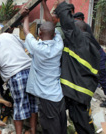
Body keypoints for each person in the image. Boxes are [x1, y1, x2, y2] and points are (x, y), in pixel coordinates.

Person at [0, 32, 38, 134]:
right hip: (31, 70)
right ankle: (33, 131)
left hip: (16, 75)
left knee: (19, 109)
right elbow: (23, 46)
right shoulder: (6, 35)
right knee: (33, 106)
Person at [20, 1, 67, 134]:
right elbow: (51, 23)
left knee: (51, 129)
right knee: (61, 127)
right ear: (54, 34)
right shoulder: (59, 44)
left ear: (40, 34)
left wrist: (26, 17)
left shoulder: (36, 48)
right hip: (58, 95)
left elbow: (26, 31)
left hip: (47, 100)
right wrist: (44, 4)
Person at [55, 0, 101, 134]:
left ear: (78, 31)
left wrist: (62, 5)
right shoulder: (90, 45)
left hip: (76, 92)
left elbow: (66, 21)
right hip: (80, 92)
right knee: (80, 120)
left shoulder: (79, 40)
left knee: (82, 125)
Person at [74, 12, 106, 107]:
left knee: (102, 77)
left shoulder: (85, 27)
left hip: (98, 55)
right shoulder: (82, 29)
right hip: (93, 55)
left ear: (80, 19)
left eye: (75, 20)